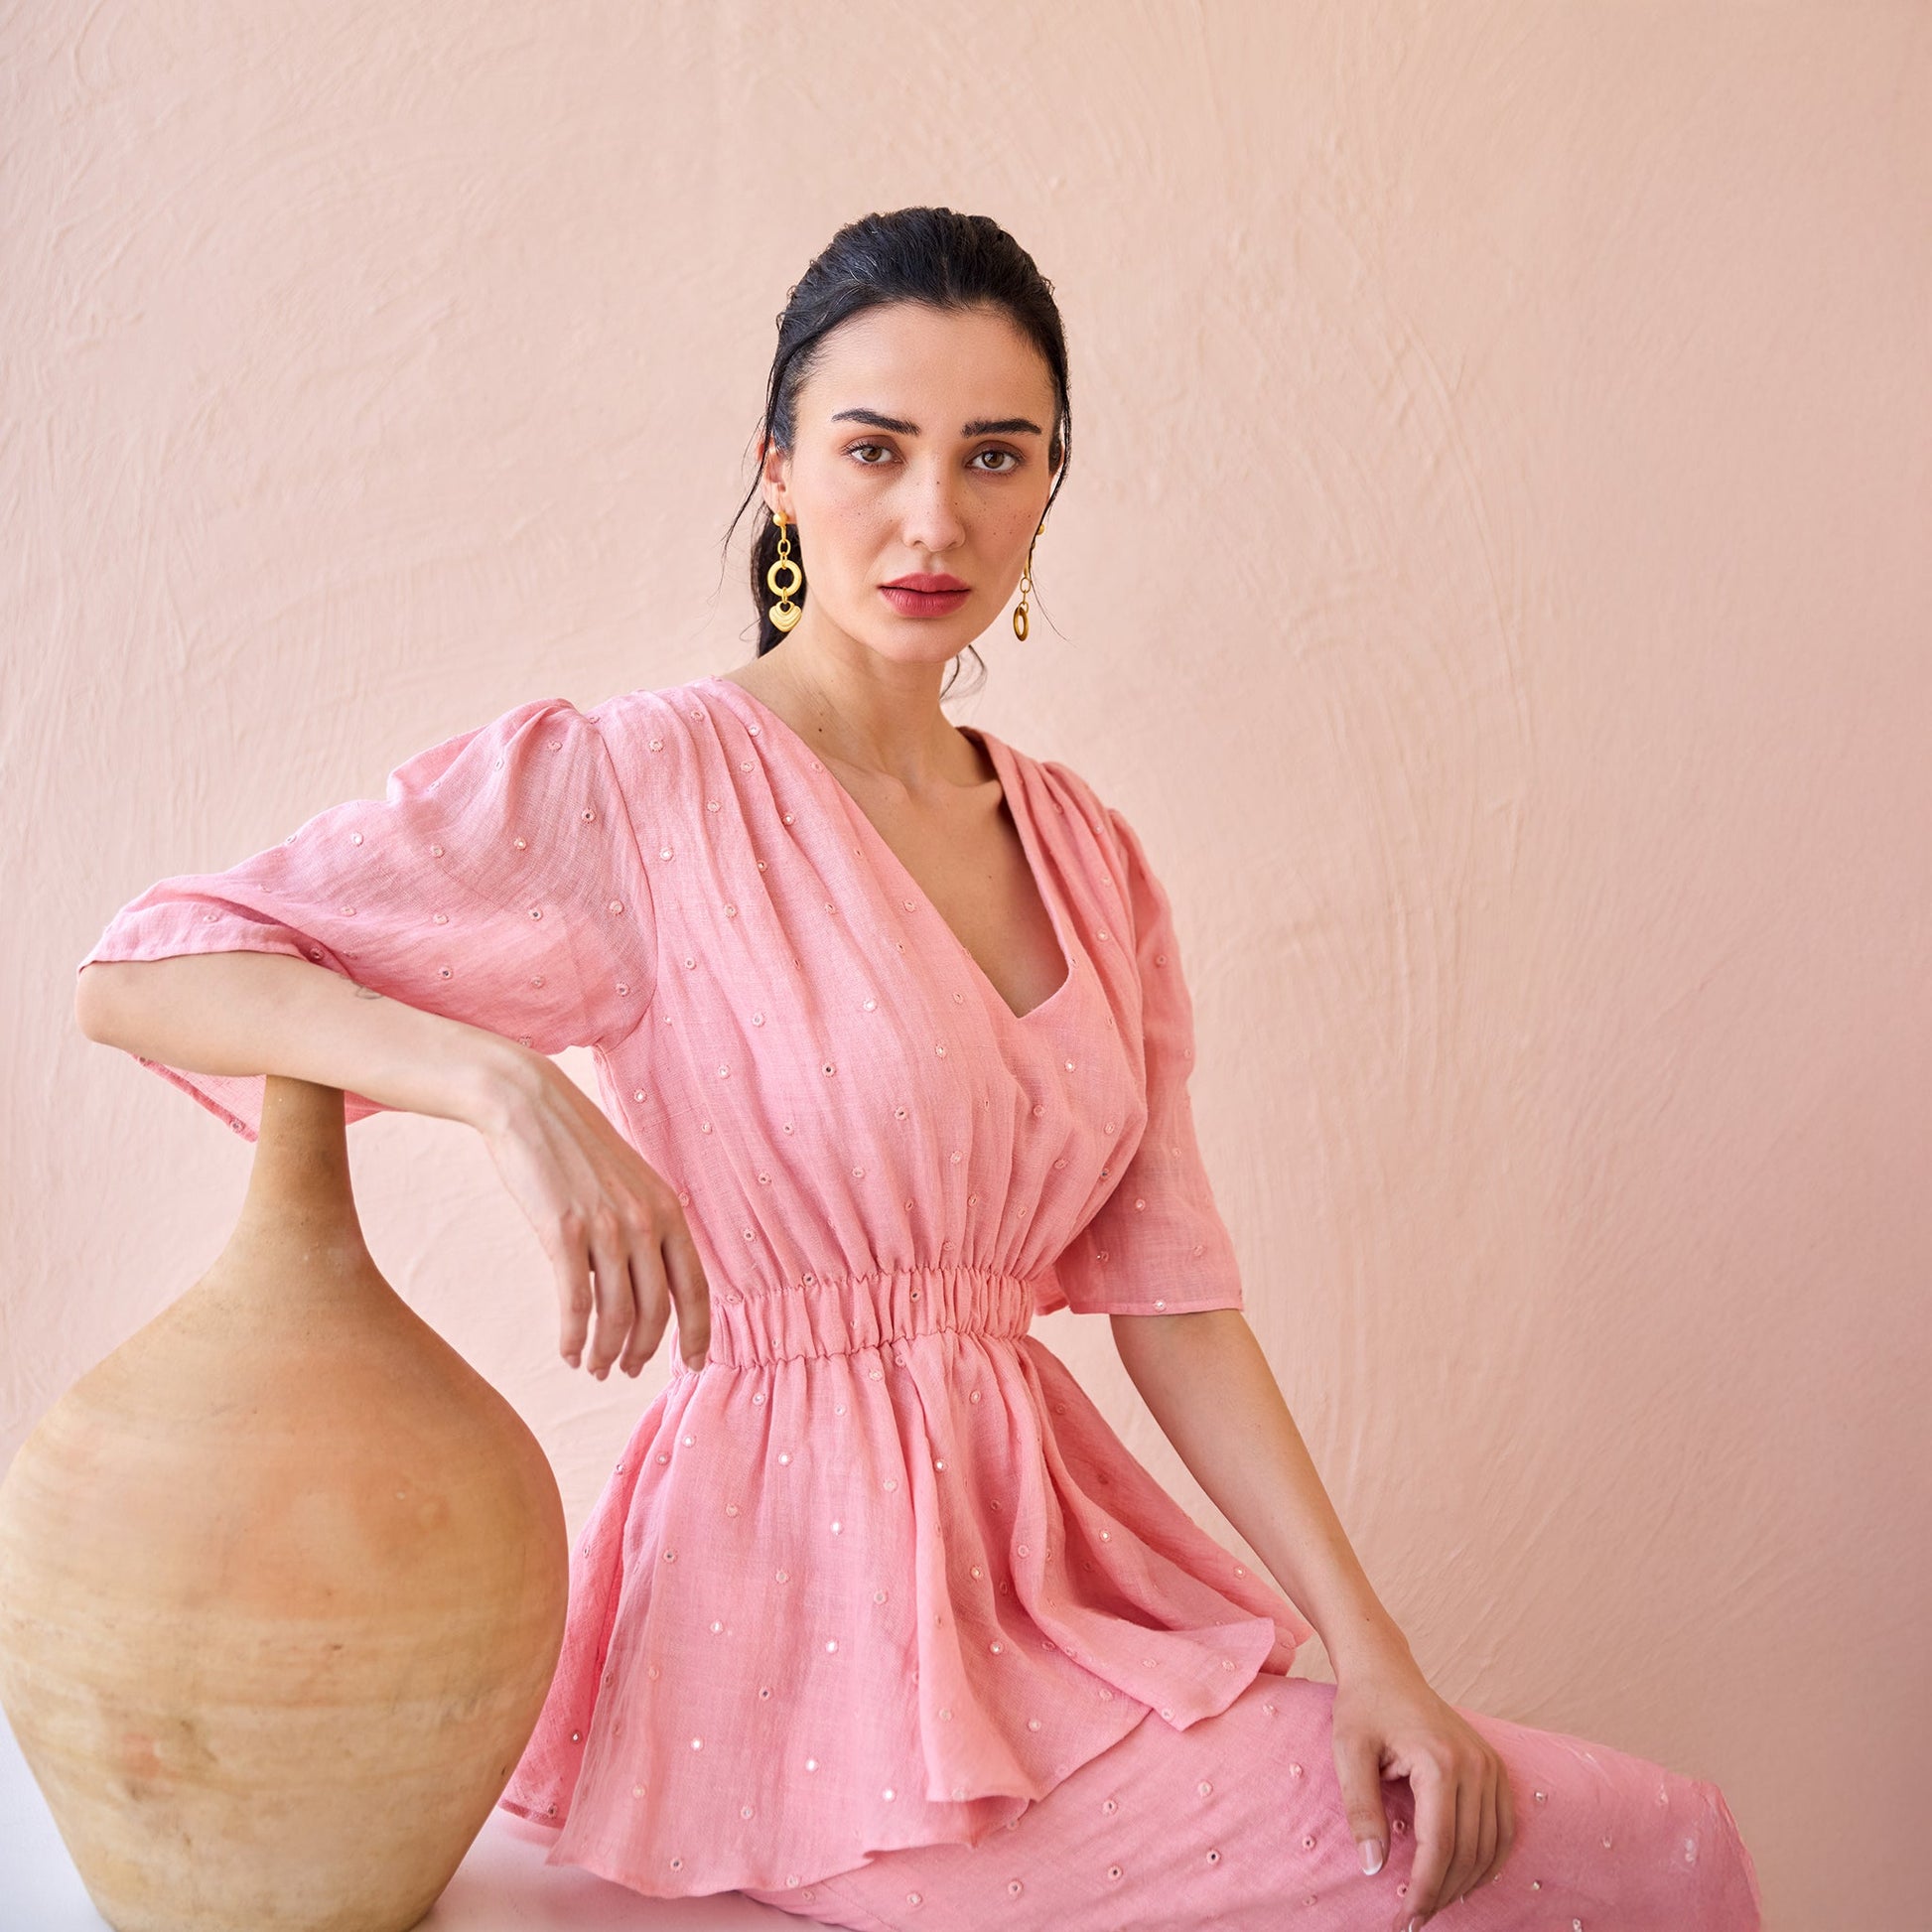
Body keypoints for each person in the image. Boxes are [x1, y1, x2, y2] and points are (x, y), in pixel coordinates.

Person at [73, 207, 1762, 1932]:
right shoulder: (639, 786)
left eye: (993, 456)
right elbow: (150, 971)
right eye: (873, 449)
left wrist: (1375, 1648)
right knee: (1594, 1852)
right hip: (801, 1641)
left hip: (1048, 1597)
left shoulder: (1087, 850)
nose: (933, 516)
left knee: (1629, 1836)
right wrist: (510, 1087)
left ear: (1048, 486)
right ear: (779, 471)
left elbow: (1176, 1305)